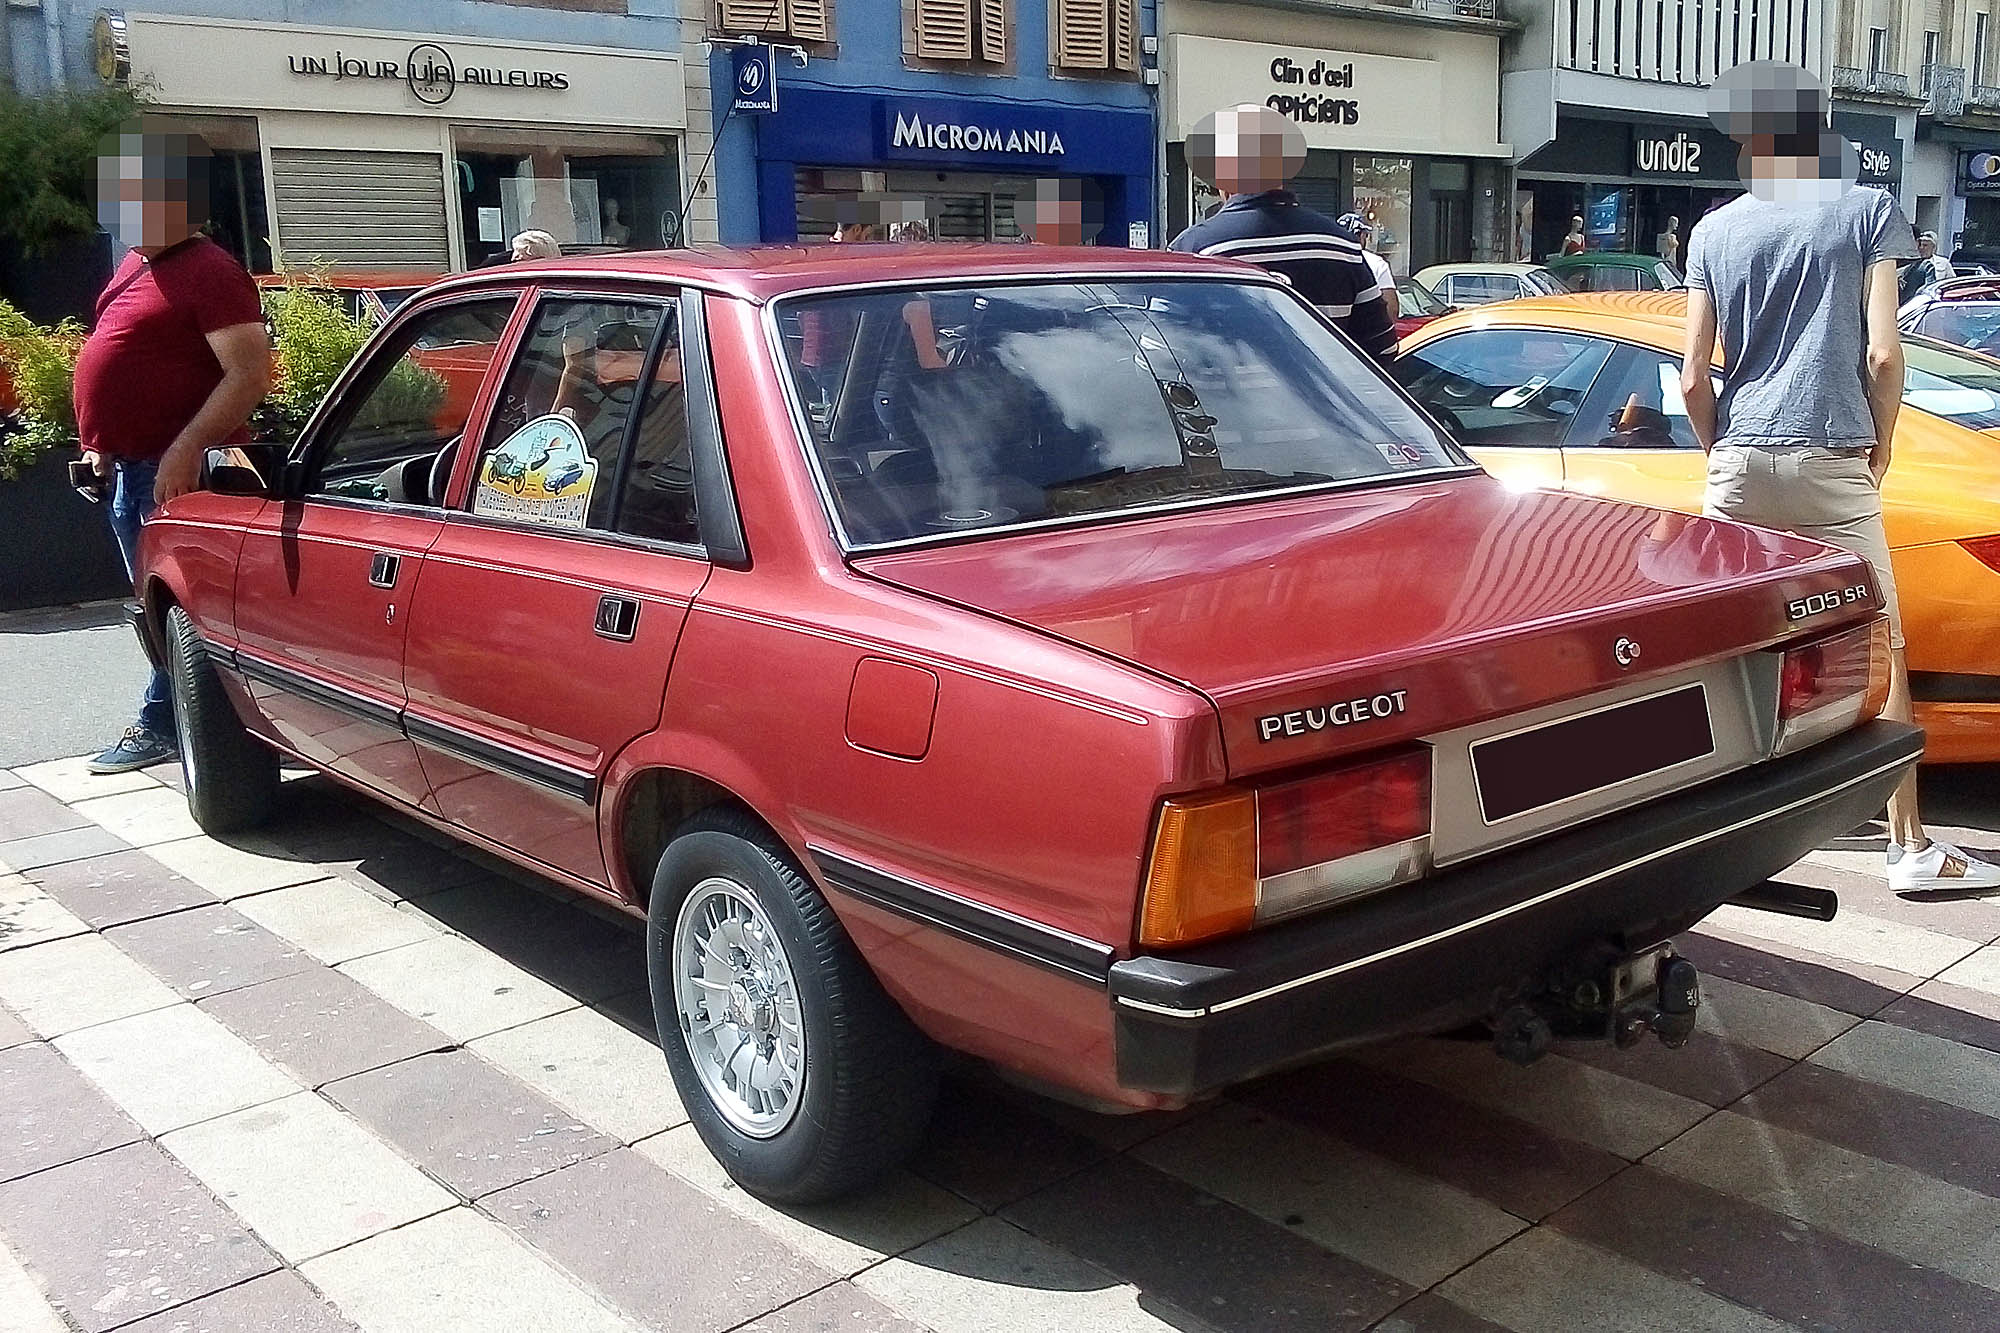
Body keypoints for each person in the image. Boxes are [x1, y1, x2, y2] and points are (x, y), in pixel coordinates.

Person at [1681, 60, 2000, 894]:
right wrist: (1882, 446)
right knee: (1881, 645)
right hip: (1831, 456)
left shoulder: (1713, 230)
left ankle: (1723, 843)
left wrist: (1724, 449)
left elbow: (1690, 377)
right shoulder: (1866, 212)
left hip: (1739, 461)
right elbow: (1884, 351)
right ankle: (1911, 849)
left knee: (1733, 648)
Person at [75, 125, 272, 774]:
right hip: (132, 470)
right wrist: (99, 444)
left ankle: (166, 721)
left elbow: (249, 374)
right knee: (158, 604)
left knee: (181, 607)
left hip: (180, 475)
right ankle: (182, 718)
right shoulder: (139, 263)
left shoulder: (209, 271)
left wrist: (186, 449)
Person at [1169, 104, 1396, 363]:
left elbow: (1162, 356)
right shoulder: (1341, 245)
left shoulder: (1193, 251)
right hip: (1322, 404)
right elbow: (1382, 350)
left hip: (1226, 403)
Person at [1901, 230, 1955, 302]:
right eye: (1920, 245)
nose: (1921, 248)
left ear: (1933, 247)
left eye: (1925, 245)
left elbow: (1951, 282)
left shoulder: (1943, 263)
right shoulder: (1912, 264)